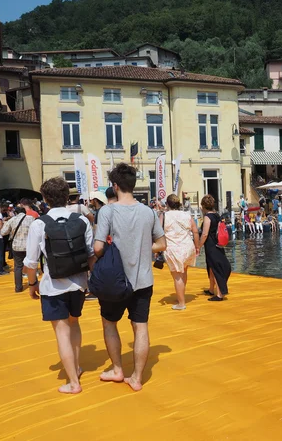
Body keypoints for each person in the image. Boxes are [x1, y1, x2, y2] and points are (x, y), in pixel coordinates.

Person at [94, 163, 166, 392]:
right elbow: (161, 244)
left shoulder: (107, 211)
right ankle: (136, 378)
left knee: (109, 323)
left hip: (114, 279)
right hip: (143, 280)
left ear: (115, 186)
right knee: (141, 327)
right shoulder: (148, 211)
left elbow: (97, 248)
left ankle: (117, 369)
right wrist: (143, 247)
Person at [24, 177, 96, 394]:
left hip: (53, 286)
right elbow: (91, 254)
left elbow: (30, 262)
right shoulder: (82, 221)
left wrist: (32, 284)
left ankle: (73, 382)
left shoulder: (39, 223)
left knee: (61, 332)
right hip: (79, 284)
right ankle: (76, 366)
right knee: (74, 325)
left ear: (45, 199)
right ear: (67, 197)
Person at [163, 194, 199, 311]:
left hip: (173, 248)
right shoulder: (187, 215)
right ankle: (180, 297)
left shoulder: (164, 216)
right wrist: (197, 246)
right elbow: (195, 231)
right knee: (184, 272)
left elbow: (158, 232)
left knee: (177, 275)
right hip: (187, 246)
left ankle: (181, 303)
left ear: (167, 204)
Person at [198, 194, 231, 302]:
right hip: (218, 243)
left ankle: (220, 294)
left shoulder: (207, 217)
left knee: (216, 268)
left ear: (204, 206)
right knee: (211, 267)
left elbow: (204, 234)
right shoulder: (217, 215)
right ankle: (211, 289)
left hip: (211, 245)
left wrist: (198, 245)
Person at [1, 206, 35, 293]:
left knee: (18, 267)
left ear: (15, 212)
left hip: (17, 246)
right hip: (29, 245)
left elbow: (3, 232)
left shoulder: (12, 220)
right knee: (31, 265)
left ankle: (18, 287)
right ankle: (33, 284)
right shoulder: (31, 218)